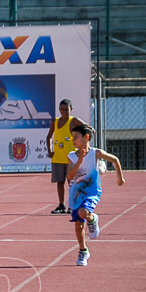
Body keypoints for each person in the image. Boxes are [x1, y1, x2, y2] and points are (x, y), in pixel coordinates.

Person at [66, 123, 124, 267]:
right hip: (76, 193)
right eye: (72, 137)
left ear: (86, 137)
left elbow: (115, 160)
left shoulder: (95, 153)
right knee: (78, 224)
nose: (73, 140)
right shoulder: (72, 156)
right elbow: (70, 176)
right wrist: (79, 161)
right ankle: (83, 250)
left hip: (92, 191)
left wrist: (120, 177)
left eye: (75, 137)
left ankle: (92, 219)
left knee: (83, 212)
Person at [45, 99, 84, 214]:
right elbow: (49, 136)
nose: (64, 112)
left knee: (72, 182)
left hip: (71, 158)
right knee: (59, 181)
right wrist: (50, 150)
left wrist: (81, 145)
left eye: (66, 109)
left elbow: (87, 128)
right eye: (62, 109)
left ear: (71, 109)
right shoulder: (55, 122)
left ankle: (73, 205)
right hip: (58, 156)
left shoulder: (74, 121)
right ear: (59, 109)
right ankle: (61, 205)